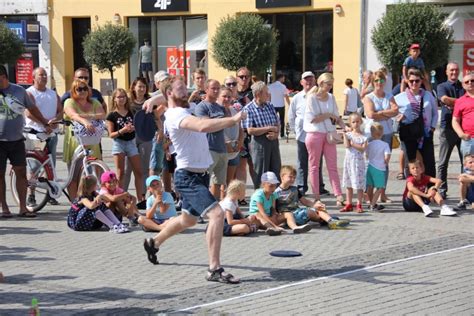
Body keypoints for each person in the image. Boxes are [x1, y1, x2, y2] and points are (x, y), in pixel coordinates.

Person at [142, 77, 245, 285]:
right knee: (216, 214)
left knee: (188, 220)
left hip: (200, 174)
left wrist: (153, 99)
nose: (187, 90)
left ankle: (154, 242)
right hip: (187, 176)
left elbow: (167, 93)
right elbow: (201, 126)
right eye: (182, 88)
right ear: (171, 93)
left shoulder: (186, 106)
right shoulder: (174, 115)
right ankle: (214, 269)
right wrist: (233, 120)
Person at [0, 65, 51, 218]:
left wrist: (44, 122)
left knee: (21, 173)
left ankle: (23, 207)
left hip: (16, 139)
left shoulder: (19, 91)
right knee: (0, 175)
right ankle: (4, 207)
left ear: (3, 76)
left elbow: (32, 108)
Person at [303, 72, 347, 205]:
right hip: (314, 134)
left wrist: (345, 126)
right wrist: (328, 115)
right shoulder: (312, 98)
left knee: (332, 166)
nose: (330, 87)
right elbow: (313, 119)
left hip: (329, 134)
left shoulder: (331, 97)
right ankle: (316, 196)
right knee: (314, 166)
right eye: (328, 84)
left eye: (331, 85)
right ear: (321, 83)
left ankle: (338, 195)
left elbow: (336, 116)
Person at [25, 67, 63, 206]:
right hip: (35, 134)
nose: (44, 77)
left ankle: (50, 193)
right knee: (35, 165)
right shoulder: (29, 93)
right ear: (34, 77)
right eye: (41, 75)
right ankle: (31, 195)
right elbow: (28, 113)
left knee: (51, 165)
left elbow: (60, 110)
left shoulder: (53, 94)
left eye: (45, 75)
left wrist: (55, 121)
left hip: (51, 134)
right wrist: (45, 123)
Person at [63, 79, 106, 199]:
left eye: (85, 88)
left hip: (92, 140)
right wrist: (85, 121)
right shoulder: (69, 102)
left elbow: (102, 115)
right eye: (79, 89)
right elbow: (73, 115)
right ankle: (74, 203)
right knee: (74, 175)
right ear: (73, 91)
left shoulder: (94, 102)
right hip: (76, 141)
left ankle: (93, 200)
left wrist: (86, 116)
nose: (82, 91)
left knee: (96, 172)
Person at [287, 71, 328, 196]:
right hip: (302, 136)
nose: (308, 82)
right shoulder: (297, 98)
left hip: (317, 135)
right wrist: (295, 131)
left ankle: (319, 187)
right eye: (306, 80)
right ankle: (301, 186)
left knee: (318, 162)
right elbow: (291, 115)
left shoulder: (321, 96)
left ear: (315, 81)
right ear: (301, 82)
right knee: (302, 162)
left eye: (311, 79)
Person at [275, 165, 350, 229]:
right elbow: (274, 208)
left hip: (297, 213)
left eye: (294, 178)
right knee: (310, 212)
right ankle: (327, 220)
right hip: (288, 216)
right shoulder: (276, 192)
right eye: (290, 177)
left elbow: (305, 201)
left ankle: (330, 221)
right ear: (282, 177)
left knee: (318, 208)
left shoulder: (295, 189)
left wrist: (315, 205)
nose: (292, 179)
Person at [395, 68, 438, 178]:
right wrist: (399, 117)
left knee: (429, 162)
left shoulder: (428, 95)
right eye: (411, 81)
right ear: (407, 82)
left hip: (426, 133)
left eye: (417, 81)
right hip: (408, 134)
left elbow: (435, 112)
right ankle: (411, 192)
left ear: (421, 81)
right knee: (411, 163)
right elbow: (391, 112)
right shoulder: (399, 98)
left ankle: (430, 189)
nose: (414, 83)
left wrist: (432, 128)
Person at [363, 70, 398, 202]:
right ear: (373, 82)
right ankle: (368, 193)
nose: (379, 83)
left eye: (381, 80)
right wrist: (387, 114)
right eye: (376, 80)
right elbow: (371, 114)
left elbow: (396, 110)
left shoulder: (389, 96)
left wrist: (381, 112)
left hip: (387, 133)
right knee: (370, 163)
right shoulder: (369, 97)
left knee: (384, 163)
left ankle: (382, 193)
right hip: (372, 133)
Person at [241, 81, 281, 189]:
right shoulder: (248, 109)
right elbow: (250, 130)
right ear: (258, 94)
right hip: (259, 143)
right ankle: (260, 200)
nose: (268, 94)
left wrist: (276, 133)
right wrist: (268, 128)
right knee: (261, 172)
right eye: (266, 92)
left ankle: (275, 200)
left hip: (273, 141)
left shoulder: (270, 105)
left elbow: (278, 123)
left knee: (275, 170)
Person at [106, 88, 144, 200]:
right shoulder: (112, 115)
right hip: (119, 143)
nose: (121, 99)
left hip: (131, 142)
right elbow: (111, 134)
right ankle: (119, 198)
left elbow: (138, 126)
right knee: (120, 173)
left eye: (123, 97)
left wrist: (133, 129)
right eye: (119, 97)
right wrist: (122, 130)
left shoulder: (131, 112)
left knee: (139, 171)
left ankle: (140, 198)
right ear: (114, 99)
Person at [195, 79, 228, 199]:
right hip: (208, 148)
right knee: (204, 181)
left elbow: (227, 124)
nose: (216, 91)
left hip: (221, 148)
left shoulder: (221, 108)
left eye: (218, 88)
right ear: (206, 89)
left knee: (219, 182)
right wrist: (220, 123)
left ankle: (214, 207)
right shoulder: (201, 107)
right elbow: (206, 126)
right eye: (213, 88)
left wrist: (218, 123)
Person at [436, 62, 464, 199]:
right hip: (447, 129)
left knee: (466, 162)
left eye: (456, 70)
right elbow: (444, 99)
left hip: (463, 129)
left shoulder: (464, 86)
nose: (454, 72)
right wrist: (462, 102)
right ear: (447, 72)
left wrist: (453, 103)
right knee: (443, 163)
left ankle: (466, 191)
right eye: (451, 70)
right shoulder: (442, 86)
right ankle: (441, 190)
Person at [123, 77, 151, 195]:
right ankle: (122, 195)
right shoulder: (128, 102)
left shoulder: (150, 101)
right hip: (130, 138)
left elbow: (156, 117)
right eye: (139, 86)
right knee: (126, 169)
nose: (141, 89)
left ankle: (142, 196)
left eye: (144, 87)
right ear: (133, 87)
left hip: (145, 137)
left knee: (144, 169)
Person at [235, 67, 256, 201]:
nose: (244, 79)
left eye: (246, 76)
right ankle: (241, 196)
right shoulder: (231, 92)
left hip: (253, 133)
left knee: (254, 164)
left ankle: (258, 192)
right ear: (236, 77)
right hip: (238, 132)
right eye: (241, 76)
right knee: (241, 165)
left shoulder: (254, 93)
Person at [341, 112, 367, 213]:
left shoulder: (363, 136)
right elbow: (347, 145)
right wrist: (344, 135)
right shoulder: (348, 135)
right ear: (350, 124)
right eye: (353, 122)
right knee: (349, 184)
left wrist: (354, 144)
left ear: (360, 122)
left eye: (357, 121)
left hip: (359, 162)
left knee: (359, 184)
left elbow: (363, 149)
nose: (356, 123)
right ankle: (348, 203)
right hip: (349, 161)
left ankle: (359, 204)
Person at [219, 87, 244, 187]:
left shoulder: (233, 110)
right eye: (224, 96)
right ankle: (219, 201)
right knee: (219, 181)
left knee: (229, 181)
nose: (227, 99)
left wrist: (240, 142)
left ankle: (227, 201)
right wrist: (227, 143)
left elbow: (240, 128)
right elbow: (218, 129)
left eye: (229, 97)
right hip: (221, 150)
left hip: (234, 150)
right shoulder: (216, 112)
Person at [366, 123, 391, 212]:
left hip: (370, 166)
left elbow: (366, 154)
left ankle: (371, 202)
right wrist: (386, 162)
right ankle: (373, 205)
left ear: (372, 134)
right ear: (382, 133)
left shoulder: (369, 144)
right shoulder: (385, 145)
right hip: (380, 168)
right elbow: (387, 156)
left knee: (370, 186)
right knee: (380, 187)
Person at [452, 72, 474, 159]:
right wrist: (461, 134)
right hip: (468, 140)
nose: (470, 83)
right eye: (466, 82)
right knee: (468, 169)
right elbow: (455, 120)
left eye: (472, 80)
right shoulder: (460, 101)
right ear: (463, 85)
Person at [268, 73, 290, 138]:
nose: (284, 79)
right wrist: (289, 104)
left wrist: (268, 103)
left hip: (272, 105)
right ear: (281, 78)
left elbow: (269, 96)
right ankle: (282, 134)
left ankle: (272, 133)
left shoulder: (270, 86)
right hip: (281, 105)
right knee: (281, 120)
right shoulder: (283, 86)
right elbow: (286, 96)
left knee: (272, 120)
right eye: (283, 78)